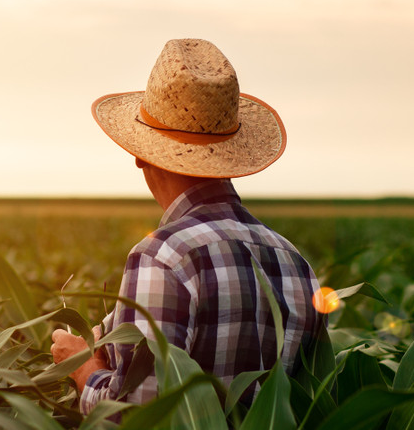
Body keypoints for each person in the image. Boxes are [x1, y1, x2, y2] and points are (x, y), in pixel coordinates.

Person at [50, 39, 326, 414]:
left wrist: (84, 367)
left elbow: (134, 418)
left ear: (139, 155)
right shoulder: (295, 263)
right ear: (233, 156)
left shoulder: (162, 256)